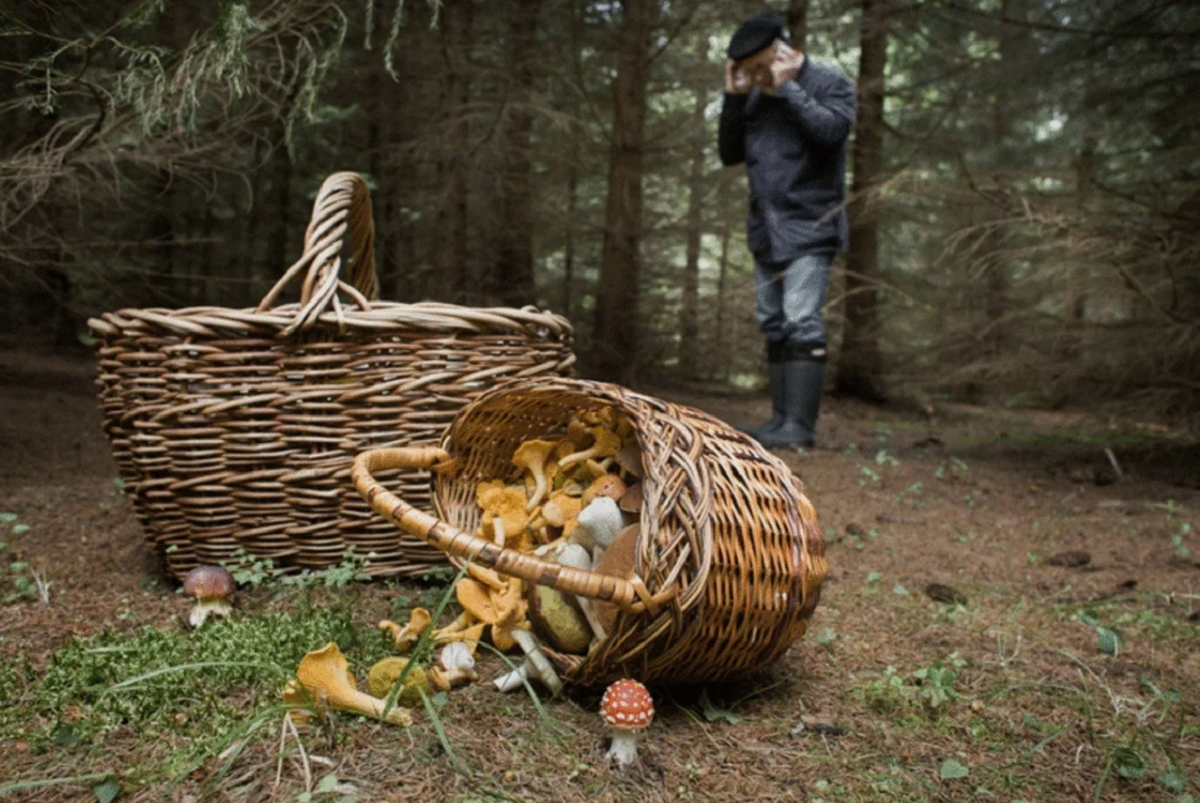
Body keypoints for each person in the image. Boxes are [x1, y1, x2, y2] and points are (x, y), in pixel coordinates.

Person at [718, 11, 856, 448]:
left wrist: (789, 88)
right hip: (766, 228)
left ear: (784, 52)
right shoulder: (752, 97)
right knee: (774, 322)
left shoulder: (828, 83)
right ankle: (780, 421)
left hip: (810, 225)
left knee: (802, 321)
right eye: (748, 70)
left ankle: (800, 428)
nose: (757, 76)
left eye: (761, 67)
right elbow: (728, 153)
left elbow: (831, 132)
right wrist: (734, 97)